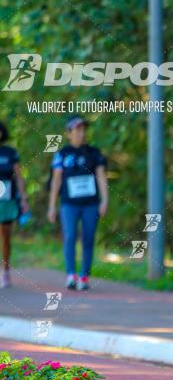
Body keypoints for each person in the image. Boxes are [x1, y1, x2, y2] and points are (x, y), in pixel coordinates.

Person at [47, 117, 108, 291]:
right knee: (70, 236)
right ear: (69, 133)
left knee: (88, 238)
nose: (81, 133)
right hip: (69, 204)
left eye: (83, 130)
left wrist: (105, 200)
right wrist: (52, 206)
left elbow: (102, 177)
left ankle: (84, 276)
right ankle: (71, 274)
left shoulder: (94, 153)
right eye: (77, 130)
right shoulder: (62, 154)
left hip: (90, 204)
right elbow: (56, 181)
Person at [0, 121, 30, 288]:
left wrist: (24, 198)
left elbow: (19, 176)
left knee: (5, 235)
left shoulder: (10, 152)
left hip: (7, 200)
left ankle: (5, 271)